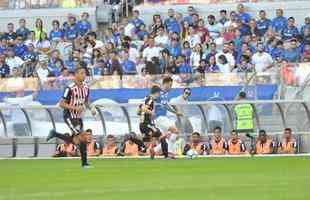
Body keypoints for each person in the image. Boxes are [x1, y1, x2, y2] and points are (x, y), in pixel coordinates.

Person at [46, 68, 97, 168]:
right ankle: (85, 164)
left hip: (78, 117)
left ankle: (55, 134)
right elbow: (61, 103)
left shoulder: (86, 87)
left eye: (85, 73)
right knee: (83, 137)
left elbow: (86, 101)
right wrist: (75, 107)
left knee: (78, 140)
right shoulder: (69, 88)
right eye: (82, 73)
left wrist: (91, 108)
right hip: (69, 116)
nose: (84, 75)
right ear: (76, 75)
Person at [138, 85, 169, 158]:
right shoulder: (150, 99)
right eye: (159, 93)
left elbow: (138, 111)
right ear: (156, 93)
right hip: (146, 124)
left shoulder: (145, 99)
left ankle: (151, 152)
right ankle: (166, 156)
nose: (159, 95)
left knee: (147, 143)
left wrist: (146, 114)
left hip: (142, 124)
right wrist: (151, 113)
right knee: (162, 137)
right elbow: (143, 108)